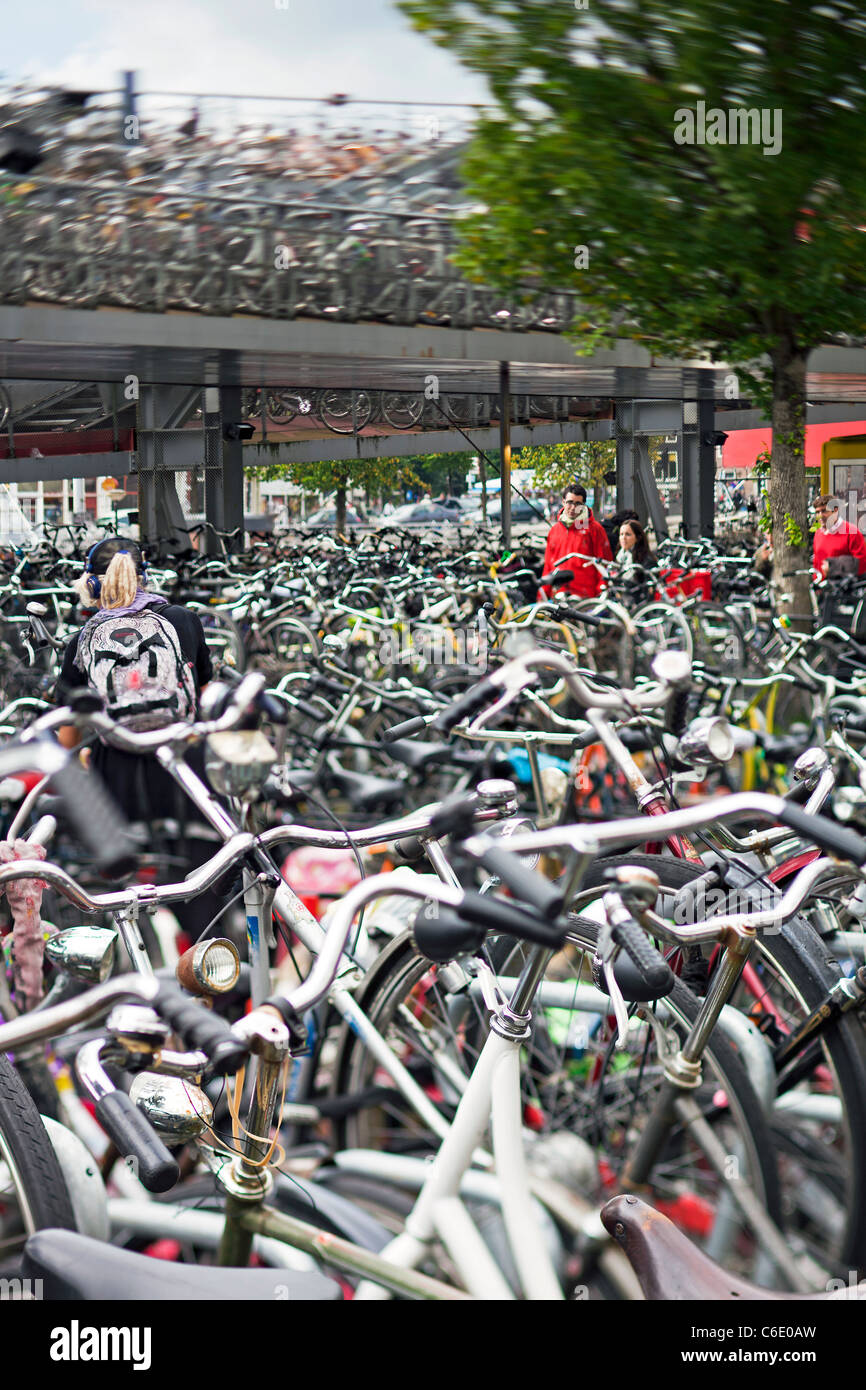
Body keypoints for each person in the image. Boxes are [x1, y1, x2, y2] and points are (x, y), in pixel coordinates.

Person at [56, 538, 217, 934]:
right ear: (145, 577)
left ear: (91, 586)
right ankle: (215, 978)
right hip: (187, 773)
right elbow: (204, 692)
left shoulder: (82, 640)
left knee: (129, 897)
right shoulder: (182, 620)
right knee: (204, 891)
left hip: (119, 783)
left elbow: (66, 732)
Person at [538, 483, 613, 600]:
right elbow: (548, 565)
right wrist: (543, 593)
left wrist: (601, 590)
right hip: (559, 595)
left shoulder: (594, 529)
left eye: (578, 503)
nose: (573, 507)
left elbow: (604, 562)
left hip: (587, 597)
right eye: (570, 502)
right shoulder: (555, 530)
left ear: (583, 505)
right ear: (563, 502)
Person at [813, 496, 866, 578]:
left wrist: (833, 568)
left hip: (844, 588)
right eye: (817, 512)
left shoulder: (851, 531)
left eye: (824, 511)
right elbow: (816, 563)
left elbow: (862, 563)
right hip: (823, 588)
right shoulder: (818, 533)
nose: (820, 515)